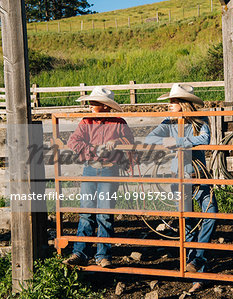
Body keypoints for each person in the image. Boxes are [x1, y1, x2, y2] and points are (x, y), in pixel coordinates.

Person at [145, 83, 218, 293]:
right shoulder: (168, 121)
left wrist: (176, 141)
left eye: (174, 101)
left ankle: (198, 258)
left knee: (210, 214)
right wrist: (181, 141)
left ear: (184, 104)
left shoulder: (199, 120)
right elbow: (151, 138)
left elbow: (204, 139)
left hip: (199, 174)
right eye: (170, 101)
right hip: (179, 176)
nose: (169, 104)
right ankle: (195, 266)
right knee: (187, 219)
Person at [63, 87, 134, 268]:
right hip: (91, 168)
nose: (90, 105)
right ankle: (80, 252)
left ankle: (102, 255)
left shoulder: (118, 123)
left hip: (109, 170)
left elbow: (130, 142)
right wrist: (94, 149)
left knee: (104, 212)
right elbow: (73, 142)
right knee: (87, 211)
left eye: (94, 103)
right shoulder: (86, 121)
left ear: (104, 106)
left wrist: (116, 142)